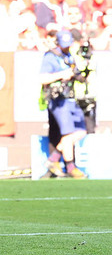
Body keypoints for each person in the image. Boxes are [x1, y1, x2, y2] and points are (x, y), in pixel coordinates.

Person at [39, 30, 87, 179]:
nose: (66, 47)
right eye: (63, 45)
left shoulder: (69, 56)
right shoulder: (50, 56)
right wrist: (62, 75)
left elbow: (75, 73)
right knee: (67, 133)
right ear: (58, 42)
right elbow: (43, 78)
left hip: (70, 97)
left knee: (80, 130)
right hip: (57, 99)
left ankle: (54, 158)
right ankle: (71, 167)